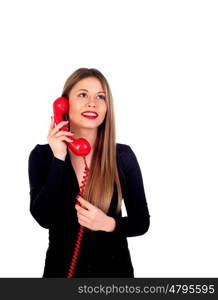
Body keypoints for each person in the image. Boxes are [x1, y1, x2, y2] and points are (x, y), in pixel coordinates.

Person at [28, 67, 150, 278]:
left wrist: (108, 224)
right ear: (64, 104)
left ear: (107, 107)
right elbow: (44, 218)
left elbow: (142, 222)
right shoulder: (42, 156)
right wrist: (59, 158)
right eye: (83, 94)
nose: (92, 102)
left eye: (100, 97)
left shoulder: (122, 155)